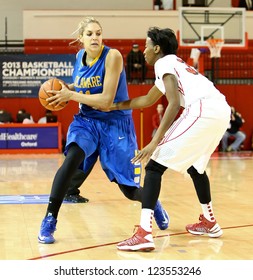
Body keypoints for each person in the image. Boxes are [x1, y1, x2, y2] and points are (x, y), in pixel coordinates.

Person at [38, 17, 169, 244]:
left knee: (128, 190)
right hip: (87, 120)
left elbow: (107, 101)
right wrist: (64, 90)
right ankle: (49, 219)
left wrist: (71, 96)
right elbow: (82, 86)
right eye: (89, 34)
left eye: (98, 33)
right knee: (72, 159)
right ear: (81, 39)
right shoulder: (79, 57)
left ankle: (152, 201)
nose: (95, 37)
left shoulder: (113, 56)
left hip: (114, 123)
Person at [108, 27, 231, 251]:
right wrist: (115, 106)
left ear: (157, 48)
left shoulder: (163, 63)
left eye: (146, 46)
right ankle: (210, 221)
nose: (143, 51)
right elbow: (147, 100)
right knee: (196, 168)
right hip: (221, 109)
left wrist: (155, 142)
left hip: (203, 109)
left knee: (154, 166)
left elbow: (173, 103)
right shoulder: (175, 64)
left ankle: (145, 233)